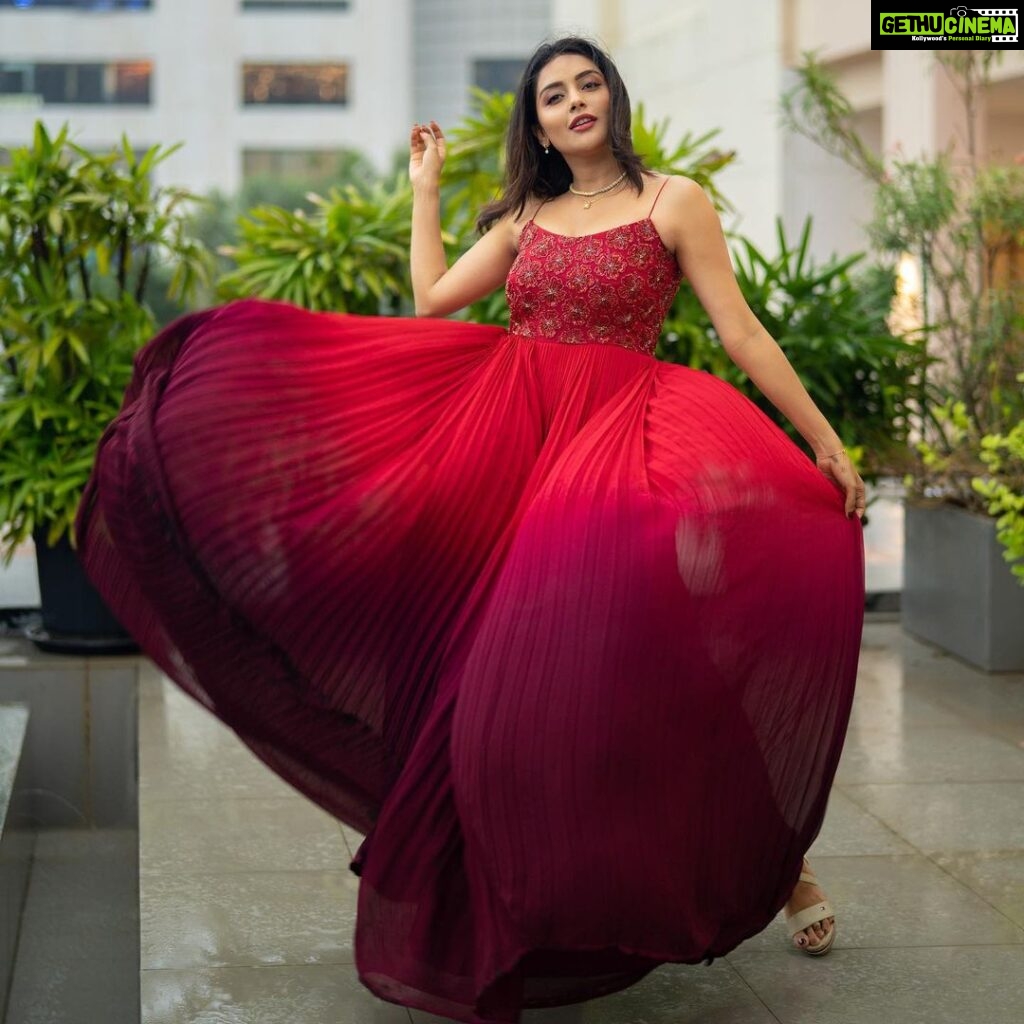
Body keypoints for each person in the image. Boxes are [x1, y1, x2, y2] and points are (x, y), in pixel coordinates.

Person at [76, 34, 864, 1024]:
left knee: (651, 666)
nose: (573, 103)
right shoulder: (528, 212)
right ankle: (497, 891)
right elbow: (435, 299)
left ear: (611, 99)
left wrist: (825, 442)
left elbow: (741, 331)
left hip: (614, 452)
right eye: (551, 96)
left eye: (586, 86)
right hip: (505, 447)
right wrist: (425, 187)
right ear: (533, 124)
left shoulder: (675, 201)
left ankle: (779, 861)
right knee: (474, 675)